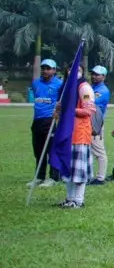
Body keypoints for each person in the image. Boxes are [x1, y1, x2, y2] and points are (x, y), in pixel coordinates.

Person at [57, 67, 97, 208]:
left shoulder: (84, 88)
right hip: (67, 133)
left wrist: (69, 110)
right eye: (70, 69)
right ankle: (69, 198)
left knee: (79, 170)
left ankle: (78, 200)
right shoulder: (67, 88)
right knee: (69, 168)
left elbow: (89, 110)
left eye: (77, 69)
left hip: (79, 133)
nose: (73, 72)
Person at [30, 58, 64, 187]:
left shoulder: (59, 84)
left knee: (52, 150)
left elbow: (63, 102)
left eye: (48, 68)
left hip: (50, 121)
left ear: (54, 70)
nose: (45, 71)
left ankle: (54, 177)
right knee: (38, 151)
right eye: (43, 68)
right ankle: (39, 176)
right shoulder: (36, 83)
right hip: (37, 120)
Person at [86, 65, 111, 185]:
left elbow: (88, 101)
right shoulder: (92, 88)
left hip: (95, 123)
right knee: (88, 150)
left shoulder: (102, 91)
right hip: (88, 121)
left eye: (97, 75)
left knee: (99, 150)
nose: (94, 76)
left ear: (103, 77)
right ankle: (89, 175)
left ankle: (101, 178)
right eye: (93, 74)